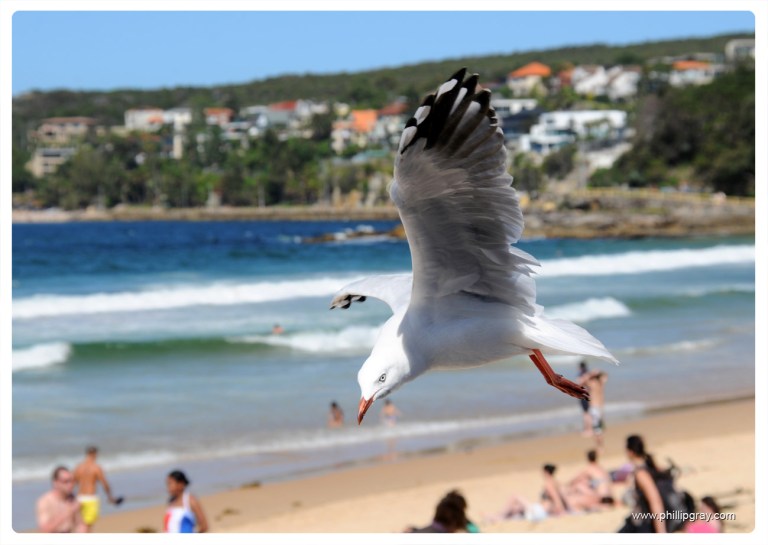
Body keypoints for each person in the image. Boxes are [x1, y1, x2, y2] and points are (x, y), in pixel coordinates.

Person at [618, 435, 666, 533]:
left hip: (644, 524)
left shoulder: (641, 473)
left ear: (630, 452)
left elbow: (655, 502)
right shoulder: (652, 466)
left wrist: (661, 532)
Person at [73, 445, 122, 531]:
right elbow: (104, 484)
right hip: (91, 499)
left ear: (87, 453)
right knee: (88, 527)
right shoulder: (96, 467)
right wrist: (110, 497)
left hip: (79, 498)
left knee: (80, 525)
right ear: (95, 454)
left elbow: (72, 484)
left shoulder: (78, 467)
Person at [36, 466, 87, 533]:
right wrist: (68, 512)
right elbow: (45, 529)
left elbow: (80, 524)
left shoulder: (72, 499)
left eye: (72, 481)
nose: (70, 484)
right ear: (55, 483)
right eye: (66, 481)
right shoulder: (45, 501)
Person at [580, 368, 608, 448]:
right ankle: (600, 445)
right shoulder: (600, 383)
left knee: (597, 428)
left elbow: (581, 382)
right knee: (599, 428)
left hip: (594, 408)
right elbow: (605, 376)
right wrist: (596, 373)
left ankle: (600, 446)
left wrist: (591, 374)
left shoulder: (592, 383)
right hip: (599, 407)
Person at [577, 360, 592, 435]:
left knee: (586, 413)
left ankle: (588, 430)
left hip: (583, 395)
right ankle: (589, 429)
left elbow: (579, 384)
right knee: (588, 412)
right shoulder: (588, 373)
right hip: (589, 394)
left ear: (580, 367)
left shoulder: (582, 374)